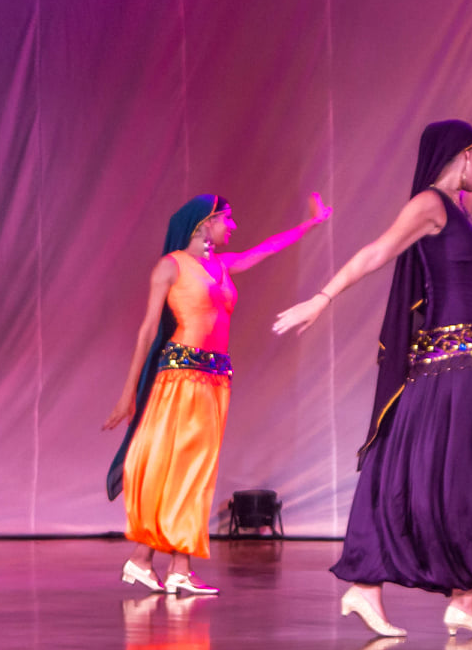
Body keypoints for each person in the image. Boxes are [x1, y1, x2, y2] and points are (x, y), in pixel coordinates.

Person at [274, 70, 472, 637]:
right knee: (414, 472)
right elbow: (376, 251)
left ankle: (454, 598)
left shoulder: (459, 208)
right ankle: (379, 586)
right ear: (462, 155)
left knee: (454, 477)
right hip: (443, 369)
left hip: (465, 365)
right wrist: (321, 299)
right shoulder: (430, 205)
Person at [103, 193, 331, 594]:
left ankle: (164, 564)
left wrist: (310, 224)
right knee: (180, 469)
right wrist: (128, 393)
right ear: (205, 222)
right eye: (227, 218)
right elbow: (147, 330)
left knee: (197, 473)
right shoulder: (171, 266)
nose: (233, 226)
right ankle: (159, 563)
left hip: (214, 380)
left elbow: (267, 248)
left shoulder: (223, 264)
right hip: (181, 379)